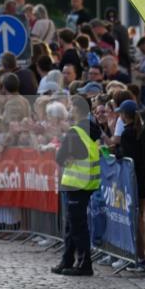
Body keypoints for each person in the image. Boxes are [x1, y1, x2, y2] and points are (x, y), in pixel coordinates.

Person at [51, 95, 101, 277]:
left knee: (77, 226)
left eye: (71, 107)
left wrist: (67, 156)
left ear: (78, 110)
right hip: (88, 183)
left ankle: (84, 263)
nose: (69, 111)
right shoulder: (93, 128)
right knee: (73, 224)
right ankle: (67, 260)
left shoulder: (75, 132)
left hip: (76, 184)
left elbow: (60, 158)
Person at [115, 99, 145, 269]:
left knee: (137, 218)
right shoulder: (143, 131)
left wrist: (117, 152)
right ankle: (143, 255)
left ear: (125, 115)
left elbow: (127, 155)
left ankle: (140, 256)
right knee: (142, 217)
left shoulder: (128, 133)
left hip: (135, 179)